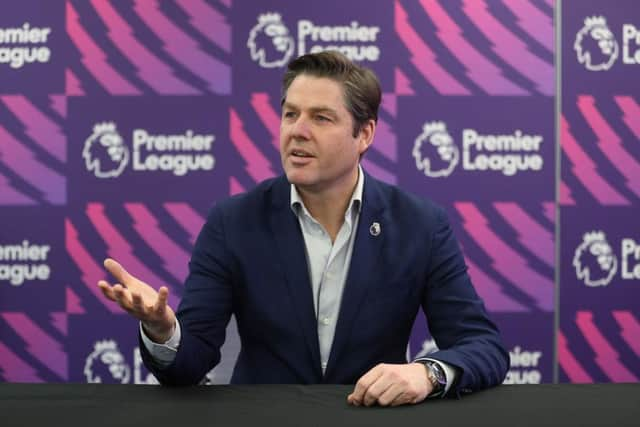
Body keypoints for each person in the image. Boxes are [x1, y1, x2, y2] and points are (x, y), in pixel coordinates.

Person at [98, 51, 509, 406]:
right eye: (290, 114)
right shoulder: (234, 221)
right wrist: (162, 329)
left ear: (364, 134)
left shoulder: (420, 225)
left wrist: (428, 375)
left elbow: (483, 347)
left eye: (321, 117)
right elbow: (189, 366)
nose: (297, 130)